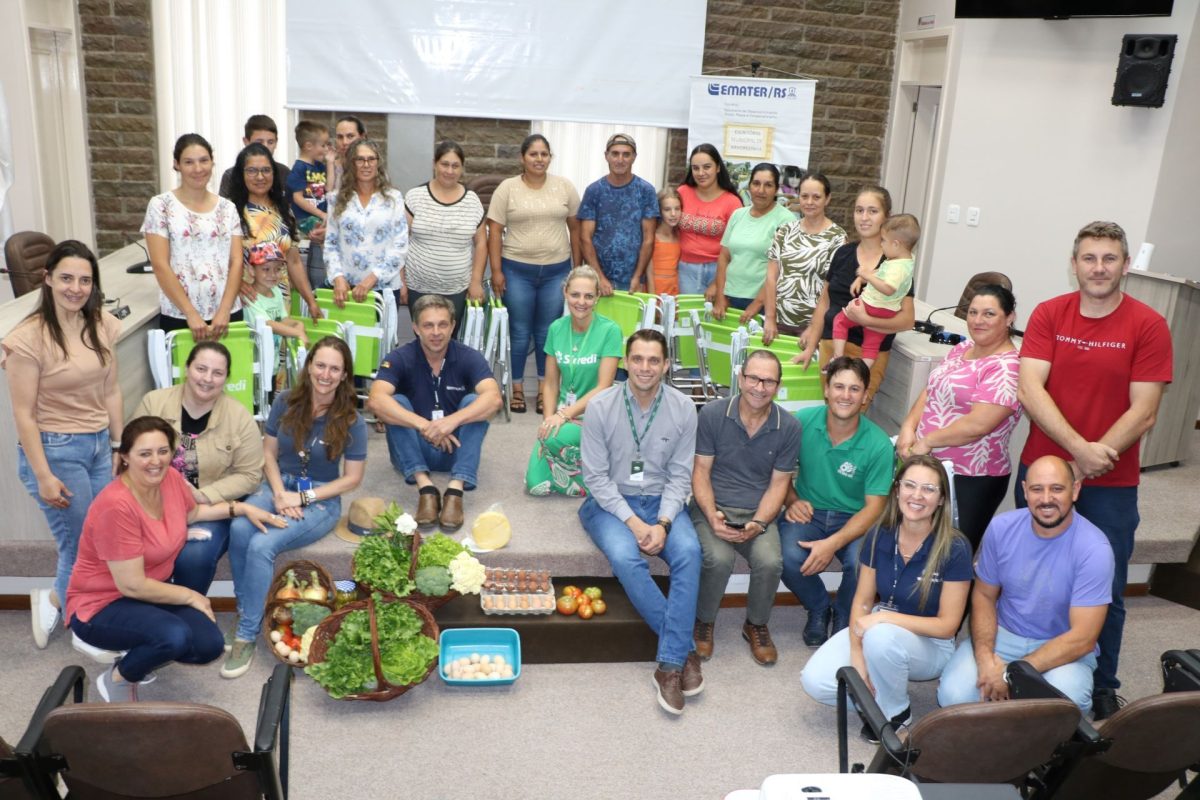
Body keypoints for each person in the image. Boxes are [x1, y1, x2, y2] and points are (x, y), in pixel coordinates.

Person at [1015, 220, 1172, 719]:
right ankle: (1028, 664)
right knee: (1032, 578)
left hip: (1112, 483)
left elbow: (1144, 409)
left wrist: (1094, 455)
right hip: (1044, 472)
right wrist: (1077, 450)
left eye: (1108, 259)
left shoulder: (1148, 324)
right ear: (1074, 263)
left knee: (1104, 586)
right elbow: (1030, 390)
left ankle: (1103, 682)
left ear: (1125, 265)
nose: (1098, 268)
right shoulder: (1048, 314)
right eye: (1089, 258)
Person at [67, 416, 282, 702]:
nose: (155, 461)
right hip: (102, 604)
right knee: (174, 636)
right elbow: (131, 585)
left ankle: (136, 645)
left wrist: (241, 509)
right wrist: (191, 596)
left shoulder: (169, 479)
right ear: (125, 457)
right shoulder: (116, 506)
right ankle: (117, 679)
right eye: (144, 453)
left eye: (163, 451)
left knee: (209, 645)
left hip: (147, 593)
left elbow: (193, 514)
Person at [222, 337, 367, 678]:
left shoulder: (352, 421)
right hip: (277, 485)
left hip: (321, 499)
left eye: (335, 368)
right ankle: (248, 612)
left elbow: (352, 479)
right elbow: (268, 454)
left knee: (262, 545)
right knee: (240, 527)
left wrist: (301, 499)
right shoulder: (285, 401)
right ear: (309, 366)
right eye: (320, 365)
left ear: (345, 375)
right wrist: (278, 494)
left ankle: (245, 634)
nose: (326, 374)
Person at [3, 240, 123, 649]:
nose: (76, 288)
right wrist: (43, 475)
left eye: (85, 280)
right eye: (67, 278)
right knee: (83, 544)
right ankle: (86, 624)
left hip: (97, 447)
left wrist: (119, 446)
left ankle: (56, 597)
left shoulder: (102, 324)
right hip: (56, 451)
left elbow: (111, 390)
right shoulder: (27, 339)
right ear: (48, 278)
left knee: (101, 538)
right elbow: (23, 414)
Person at [801, 456, 972, 740]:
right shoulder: (879, 534)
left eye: (929, 489)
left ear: (941, 498)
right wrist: (857, 656)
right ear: (897, 490)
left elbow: (947, 626)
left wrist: (882, 619)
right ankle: (879, 693)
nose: (917, 496)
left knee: (880, 635)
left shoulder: (955, 547)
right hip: (878, 630)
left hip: (930, 645)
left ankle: (896, 714)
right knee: (815, 682)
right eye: (910, 485)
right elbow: (863, 601)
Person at [578, 329, 702, 714]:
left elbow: (682, 476)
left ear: (666, 365)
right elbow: (595, 478)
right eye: (637, 359)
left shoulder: (684, 408)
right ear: (625, 362)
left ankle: (668, 665)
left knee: (690, 554)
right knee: (627, 558)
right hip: (610, 504)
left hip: (663, 502)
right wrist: (634, 523)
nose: (645, 368)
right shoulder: (600, 407)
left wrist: (663, 523)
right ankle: (683, 651)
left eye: (653, 360)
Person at [937, 455, 1115, 714]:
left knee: (1067, 703)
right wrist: (986, 658)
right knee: (953, 697)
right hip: (1005, 634)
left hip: (1062, 643)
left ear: (1075, 490)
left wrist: (1012, 673)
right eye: (1036, 489)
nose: (1046, 499)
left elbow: (1083, 638)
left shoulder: (1094, 549)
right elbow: (984, 596)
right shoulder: (1001, 527)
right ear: (1024, 491)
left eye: (1057, 488)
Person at [690, 349, 800, 666]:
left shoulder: (789, 427)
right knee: (718, 558)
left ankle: (756, 624)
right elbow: (700, 472)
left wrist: (761, 522)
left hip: (758, 511)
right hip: (714, 504)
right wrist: (712, 516)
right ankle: (705, 620)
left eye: (768, 381)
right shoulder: (712, 414)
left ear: (777, 386)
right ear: (741, 378)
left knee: (769, 561)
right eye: (753, 378)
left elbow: (779, 484)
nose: (759, 387)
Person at [896, 285, 1022, 550]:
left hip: (972, 478)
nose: (978, 320)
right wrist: (909, 427)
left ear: (1009, 318)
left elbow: (979, 425)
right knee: (918, 548)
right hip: (931, 469)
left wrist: (928, 441)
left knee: (952, 555)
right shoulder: (961, 349)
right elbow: (932, 390)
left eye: (989, 314)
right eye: (973, 312)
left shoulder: (1009, 366)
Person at [134, 341, 264, 595]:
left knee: (192, 557)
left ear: (226, 378)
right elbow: (134, 456)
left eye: (217, 373)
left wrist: (201, 496)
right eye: (201, 369)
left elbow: (250, 475)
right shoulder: (154, 403)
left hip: (211, 508)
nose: (207, 379)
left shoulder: (239, 417)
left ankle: (185, 616)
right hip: (154, 502)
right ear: (186, 369)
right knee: (142, 548)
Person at [780, 356, 894, 646]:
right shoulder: (801, 422)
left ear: (866, 396)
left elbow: (875, 508)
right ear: (826, 390)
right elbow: (776, 473)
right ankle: (818, 608)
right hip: (809, 513)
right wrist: (791, 498)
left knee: (862, 562)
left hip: (856, 518)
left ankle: (844, 614)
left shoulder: (878, 444)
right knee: (786, 556)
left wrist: (832, 543)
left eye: (854, 389)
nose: (845, 395)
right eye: (839, 386)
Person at [367, 295, 502, 530]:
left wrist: (451, 422)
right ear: (416, 328)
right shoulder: (400, 357)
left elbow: (494, 398)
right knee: (395, 401)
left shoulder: (469, 357)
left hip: (455, 449)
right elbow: (376, 400)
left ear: (453, 326)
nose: (436, 332)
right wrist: (424, 425)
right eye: (428, 325)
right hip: (412, 449)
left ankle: (455, 489)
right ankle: (426, 488)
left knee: (475, 402)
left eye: (442, 324)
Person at [487, 134, 581, 415]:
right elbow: (494, 232)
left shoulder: (564, 186)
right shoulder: (507, 188)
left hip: (557, 272)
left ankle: (544, 391)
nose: (539, 159)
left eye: (544, 154)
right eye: (533, 154)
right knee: (519, 333)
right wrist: (496, 271)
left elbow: (575, 228)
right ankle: (516, 390)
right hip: (516, 270)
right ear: (522, 158)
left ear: (550, 157)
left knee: (547, 334)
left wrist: (576, 269)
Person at [797, 186, 915, 408]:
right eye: (859, 210)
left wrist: (866, 320)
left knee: (852, 419)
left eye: (872, 211)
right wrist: (811, 346)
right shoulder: (843, 253)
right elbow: (824, 302)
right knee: (829, 415)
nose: (864, 217)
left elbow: (907, 320)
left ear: (886, 216)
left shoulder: (896, 264)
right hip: (833, 348)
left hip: (868, 354)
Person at [525, 266, 622, 496]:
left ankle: (585, 472)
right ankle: (580, 471)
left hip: (596, 416)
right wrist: (549, 419)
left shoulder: (610, 330)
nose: (582, 302)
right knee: (535, 486)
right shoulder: (556, 328)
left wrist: (563, 416)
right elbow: (549, 383)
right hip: (561, 416)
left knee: (552, 440)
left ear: (597, 297)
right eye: (575, 294)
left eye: (589, 296)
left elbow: (604, 386)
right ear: (565, 293)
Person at [142, 133, 243, 339]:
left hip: (227, 316)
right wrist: (190, 313)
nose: (198, 169)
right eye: (189, 162)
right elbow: (160, 264)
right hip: (181, 316)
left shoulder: (227, 208)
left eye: (204, 161)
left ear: (212, 162)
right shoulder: (161, 205)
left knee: (233, 371)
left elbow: (237, 260)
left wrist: (224, 310)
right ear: (176, 164)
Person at [227, 142, 322, 321]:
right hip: (247, 303)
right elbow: (221, 261)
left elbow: (294, 262)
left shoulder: (284, 210)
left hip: (280, 303)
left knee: (279, 347)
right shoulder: (229, 211)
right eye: (252, 171)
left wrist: (310, 301)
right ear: (241, 175)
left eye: (266, 170)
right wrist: (237, 283)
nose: (260, 177)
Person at [403, 140, 487, 334]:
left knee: (450, 341)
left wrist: (476, 281)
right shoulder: (415, 196)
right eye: (445, 164)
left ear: (462, 169)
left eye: (455, 166)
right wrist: (402, 281)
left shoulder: (472, 201)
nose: (449, 171)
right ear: (435, 164)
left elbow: (481, 242)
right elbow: (400, 240)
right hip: (419, 286)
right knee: (424, 339)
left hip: (456, 289)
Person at [763, 171, 847, 343]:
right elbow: (771, 277)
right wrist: (770, 318)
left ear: (827, 199)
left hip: (815, 328)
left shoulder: (838, 238)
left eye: (816, 197)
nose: (809, 202)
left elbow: (831, 289)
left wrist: (814, 328)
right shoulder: (784, 231)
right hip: (779, 325)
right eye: (804, 196)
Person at [324, 138, 408, 308]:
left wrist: (370, 280)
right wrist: (338, 278)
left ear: (378, 163)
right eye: (360, 159)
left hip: (383, 289)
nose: (366, 164)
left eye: (371, 159)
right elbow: (330, 244)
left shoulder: (394, 198)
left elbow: (400, 246)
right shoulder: (336, 198)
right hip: (344, 290)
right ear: (351, 164)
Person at [831, 214, 919, 367]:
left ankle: (837, 357)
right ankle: (863, 371)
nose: (882, 245)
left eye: (884, 241)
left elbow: (888, 288)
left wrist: (866, 275)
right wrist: (862, 279)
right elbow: (880, 273)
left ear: (896, 244)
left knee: (840, 321)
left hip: (872, 304)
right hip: (888, 312)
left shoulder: (897, 267)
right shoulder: (904, 261)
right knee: (871, 343)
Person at [577, 133, 659, 294]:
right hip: (597, 280)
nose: (620, 159)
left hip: (632, 282)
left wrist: (637, 276)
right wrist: (599, 277)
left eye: (626, 154)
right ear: (606, 156)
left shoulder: (646, 191)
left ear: (634, 157)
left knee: (629, 320)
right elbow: (585, 238)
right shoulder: (594, 191)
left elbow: (649, 239)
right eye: (615, 154)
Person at [712, 163, 795, 320]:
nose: (761, 190)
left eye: (768, 185)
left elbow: (783, 269)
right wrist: (720, 295)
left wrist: (758, 303)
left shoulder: (786, 220)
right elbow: (724, 257)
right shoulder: (738, 214)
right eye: (756, 183)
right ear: (749, 186)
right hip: (728, 298)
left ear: (777, 189)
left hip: (762, 305)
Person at [676, 143, 743, 297]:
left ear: (718, 167)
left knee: (711, 320)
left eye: (707, 167)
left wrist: (717, 282)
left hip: (718, 271)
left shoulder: (732, 202)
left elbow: (736, 247)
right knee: (686, 319)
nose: (701, 173)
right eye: (695, 168)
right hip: (685, 269)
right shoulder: (682, 193)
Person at [241, 243, 309, 367]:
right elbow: (268, 324)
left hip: (272, 362)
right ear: (251, 270)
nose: (272, 274)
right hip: (254, 365)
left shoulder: (277, 291)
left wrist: (298, 324)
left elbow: (282, 319)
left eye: (277, 269)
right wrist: (297, 332)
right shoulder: (250, 297)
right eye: (266, 269)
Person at [287, 120, 331, 290]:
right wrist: (321, 214)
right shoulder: (299, 168)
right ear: (308, 146)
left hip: (320, 215)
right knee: (328, 238)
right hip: (305, 218)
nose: (326, 149)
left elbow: (329, 187)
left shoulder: (319, 166)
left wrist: (332, 164)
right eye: (323, 145)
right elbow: (297, 198)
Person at [218, 114, 289, 198]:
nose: (265, 147)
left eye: (270, 142)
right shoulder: (231, 175)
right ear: (246, 142)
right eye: (259, 142)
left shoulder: (284, 172)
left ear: (276, 143)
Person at [650, 187, 682, 295]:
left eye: (677, 209)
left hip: (673, 289)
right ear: (659, 211)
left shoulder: (679, 235)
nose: (673, 214)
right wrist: (652, 296)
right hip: (655, 290)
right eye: (667, 209)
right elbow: (648, 270)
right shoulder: (652, 237)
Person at [327, 115, 367, 197]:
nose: (345, 142)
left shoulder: (371, 167)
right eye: (340, 137)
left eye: (350, 136)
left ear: (362, 137)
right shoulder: (329, 166)